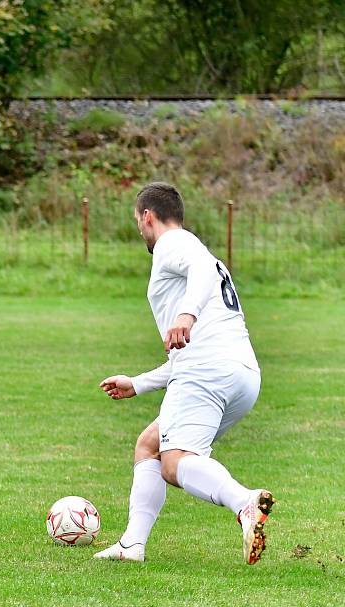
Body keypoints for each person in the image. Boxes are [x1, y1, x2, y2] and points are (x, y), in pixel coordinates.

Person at [93, 182, 274, 565]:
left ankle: (244, 502)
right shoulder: (195, 251)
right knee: (150, 445)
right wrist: (138, 384)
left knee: (173, 462)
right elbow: (184, 354)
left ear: (147, 216)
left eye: (137, 222)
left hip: (205, 372)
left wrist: (186, 314)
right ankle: (132, 545)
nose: (139, 231)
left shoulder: (173, 245)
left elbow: (202, 270)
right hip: (241, 375)